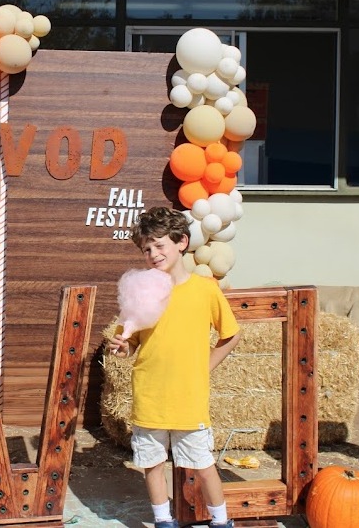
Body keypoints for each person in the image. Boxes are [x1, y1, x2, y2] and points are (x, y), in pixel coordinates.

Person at [108, 206, 241, 528]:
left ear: (181, 242)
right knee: (152, 464)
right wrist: (123, 347)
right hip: (150, 395)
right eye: (146, 249)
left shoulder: (204, 290)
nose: (153, 254)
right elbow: (132, 343)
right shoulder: (144, 293)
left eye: (159, 245)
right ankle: (162, 520)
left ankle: (221, 521)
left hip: (188, 399)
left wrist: (203, 368)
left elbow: (230, 336)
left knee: (202, 463)